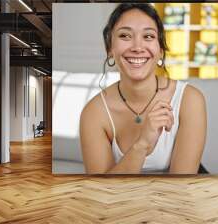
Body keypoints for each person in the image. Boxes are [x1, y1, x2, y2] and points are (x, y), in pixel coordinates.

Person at [80, 3, 207, 174]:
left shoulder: (190, 100)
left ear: (161, 51)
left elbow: (181, 188)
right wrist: (143, 144)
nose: (137, 47)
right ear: (110, 49)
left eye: (148, 36)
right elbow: (102, 191)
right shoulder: (94, 112)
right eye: (125, 35)